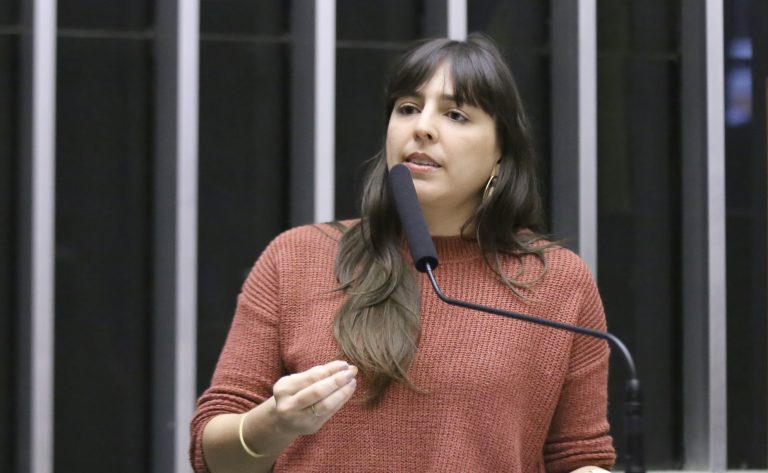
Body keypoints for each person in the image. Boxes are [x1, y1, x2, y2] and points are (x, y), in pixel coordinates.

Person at [190, 33, 616, 473]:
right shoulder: (296, 258)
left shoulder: (558, 280)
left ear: (501, 155)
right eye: (408, 108)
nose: (422, 127)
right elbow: (212, 456)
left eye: (455, 114)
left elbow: (579, 458)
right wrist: (275, 423)